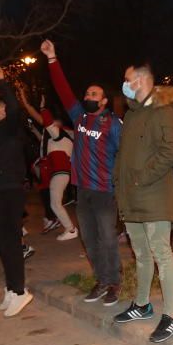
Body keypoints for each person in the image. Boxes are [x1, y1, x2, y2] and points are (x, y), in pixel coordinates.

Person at [41, 39, 123, 305]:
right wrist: (52, 58)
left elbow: (125, 154)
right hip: (83, 191)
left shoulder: (113, 124)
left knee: (108, 238)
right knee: (89, 239)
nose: (88, 98)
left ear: (104, 101)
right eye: (87, 94)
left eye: (94, 95)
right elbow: (63, 91)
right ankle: (101, 280)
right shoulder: (79, 117)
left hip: (104, 192)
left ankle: (114, 282)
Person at [111, 65, 173, 342]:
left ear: (140, 80)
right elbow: (124, 154)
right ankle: (142, 305)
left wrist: (142, 177)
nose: (124, 84)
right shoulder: (131, 114)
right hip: (131, 195)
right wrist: (120, 182)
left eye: (127, 79)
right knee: (140, 254)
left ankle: (171, 316)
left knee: (161, 254)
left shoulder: (163, 110)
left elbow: (171, 152)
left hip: (153, 194)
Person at [0, 65, 35, 317]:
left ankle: (20, 291)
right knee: (0, 241)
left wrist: (3, 84)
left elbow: (15, 108)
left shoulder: (11, 126)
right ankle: (12, 288)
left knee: (11, 242)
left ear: (3, 110)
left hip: (11, 190)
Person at [16, 87, 78, 241]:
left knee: (55, 203)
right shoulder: (54, 138)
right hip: (58, 171)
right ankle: (65, 226)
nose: (47, 125)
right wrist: (25, 101)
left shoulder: (59, 134)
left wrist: (43, 108)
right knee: (54, 202)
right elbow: (43, 133)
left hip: (60, 171)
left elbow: (47, 123)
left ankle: (70, 229)